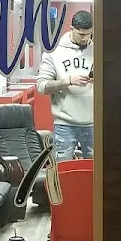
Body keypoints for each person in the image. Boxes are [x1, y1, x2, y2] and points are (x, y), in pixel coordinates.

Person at [37, 11, 94, 160]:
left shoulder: (98, 50)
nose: (86, 38)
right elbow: (42, 86)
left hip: (94, 122)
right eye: (81, 34)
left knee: (96, 171)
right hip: (65, 124)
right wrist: (68, 81)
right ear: (72, 28)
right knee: (63, 169)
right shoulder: (54, 51)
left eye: (89, 34)